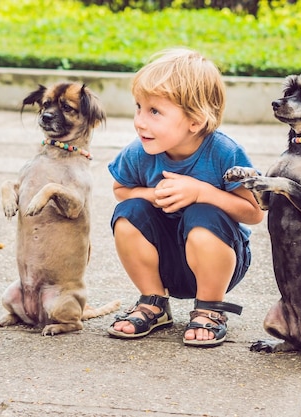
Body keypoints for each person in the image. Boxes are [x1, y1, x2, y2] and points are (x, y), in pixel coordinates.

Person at [106, 48, 264, 348]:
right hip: (164, 260)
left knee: (202, 214)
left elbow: (254, 212)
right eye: (139, 107)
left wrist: (203, 192)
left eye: (154, 112)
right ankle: (153, 301)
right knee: (128, 211)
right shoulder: (139, 152)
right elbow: (120, 190)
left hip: (218, 262)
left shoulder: (224, 153)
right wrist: (149, 195)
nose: (140, 121)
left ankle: (209, 308)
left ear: (195, 121)